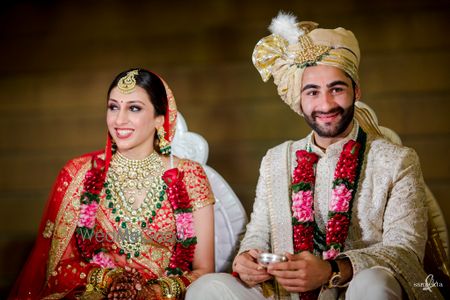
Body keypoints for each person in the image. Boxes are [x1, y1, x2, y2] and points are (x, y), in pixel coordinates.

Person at [186, 12, 443, 300]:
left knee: (372, 283)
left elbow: (404, 249)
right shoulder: (277, 159)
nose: (325, 103)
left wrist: (333, 269)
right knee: (206, 288)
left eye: (336, 89)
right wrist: (247, 258)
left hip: (355, 288)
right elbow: (258, 230)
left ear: (356, 91)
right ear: (300, 100)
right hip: (288, 291)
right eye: (312, 92)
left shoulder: (396, 160)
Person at [9, 69, 215, 299]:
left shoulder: (188, 175)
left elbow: (204, 270)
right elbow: (58, 268)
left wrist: (153, 292)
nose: (119, 120)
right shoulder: (81, 172)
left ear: (160, 117)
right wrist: (110, 280)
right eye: (113, 107)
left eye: (134, 108)